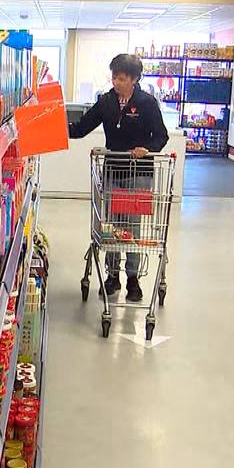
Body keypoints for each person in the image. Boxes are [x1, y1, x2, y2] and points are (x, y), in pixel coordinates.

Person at [69, 53, 168, 302]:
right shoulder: (106, 102)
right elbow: (81, 128)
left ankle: (133, 279)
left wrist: (148, 149)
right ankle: (112, 276)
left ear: (134, 79)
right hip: (112, 171)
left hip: (139, 174)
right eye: (114, 77)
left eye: (122, 78)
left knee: (133, 228)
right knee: (111, 227)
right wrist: (54, 128)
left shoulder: (147, 103)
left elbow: (161, 136)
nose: (116, 82)